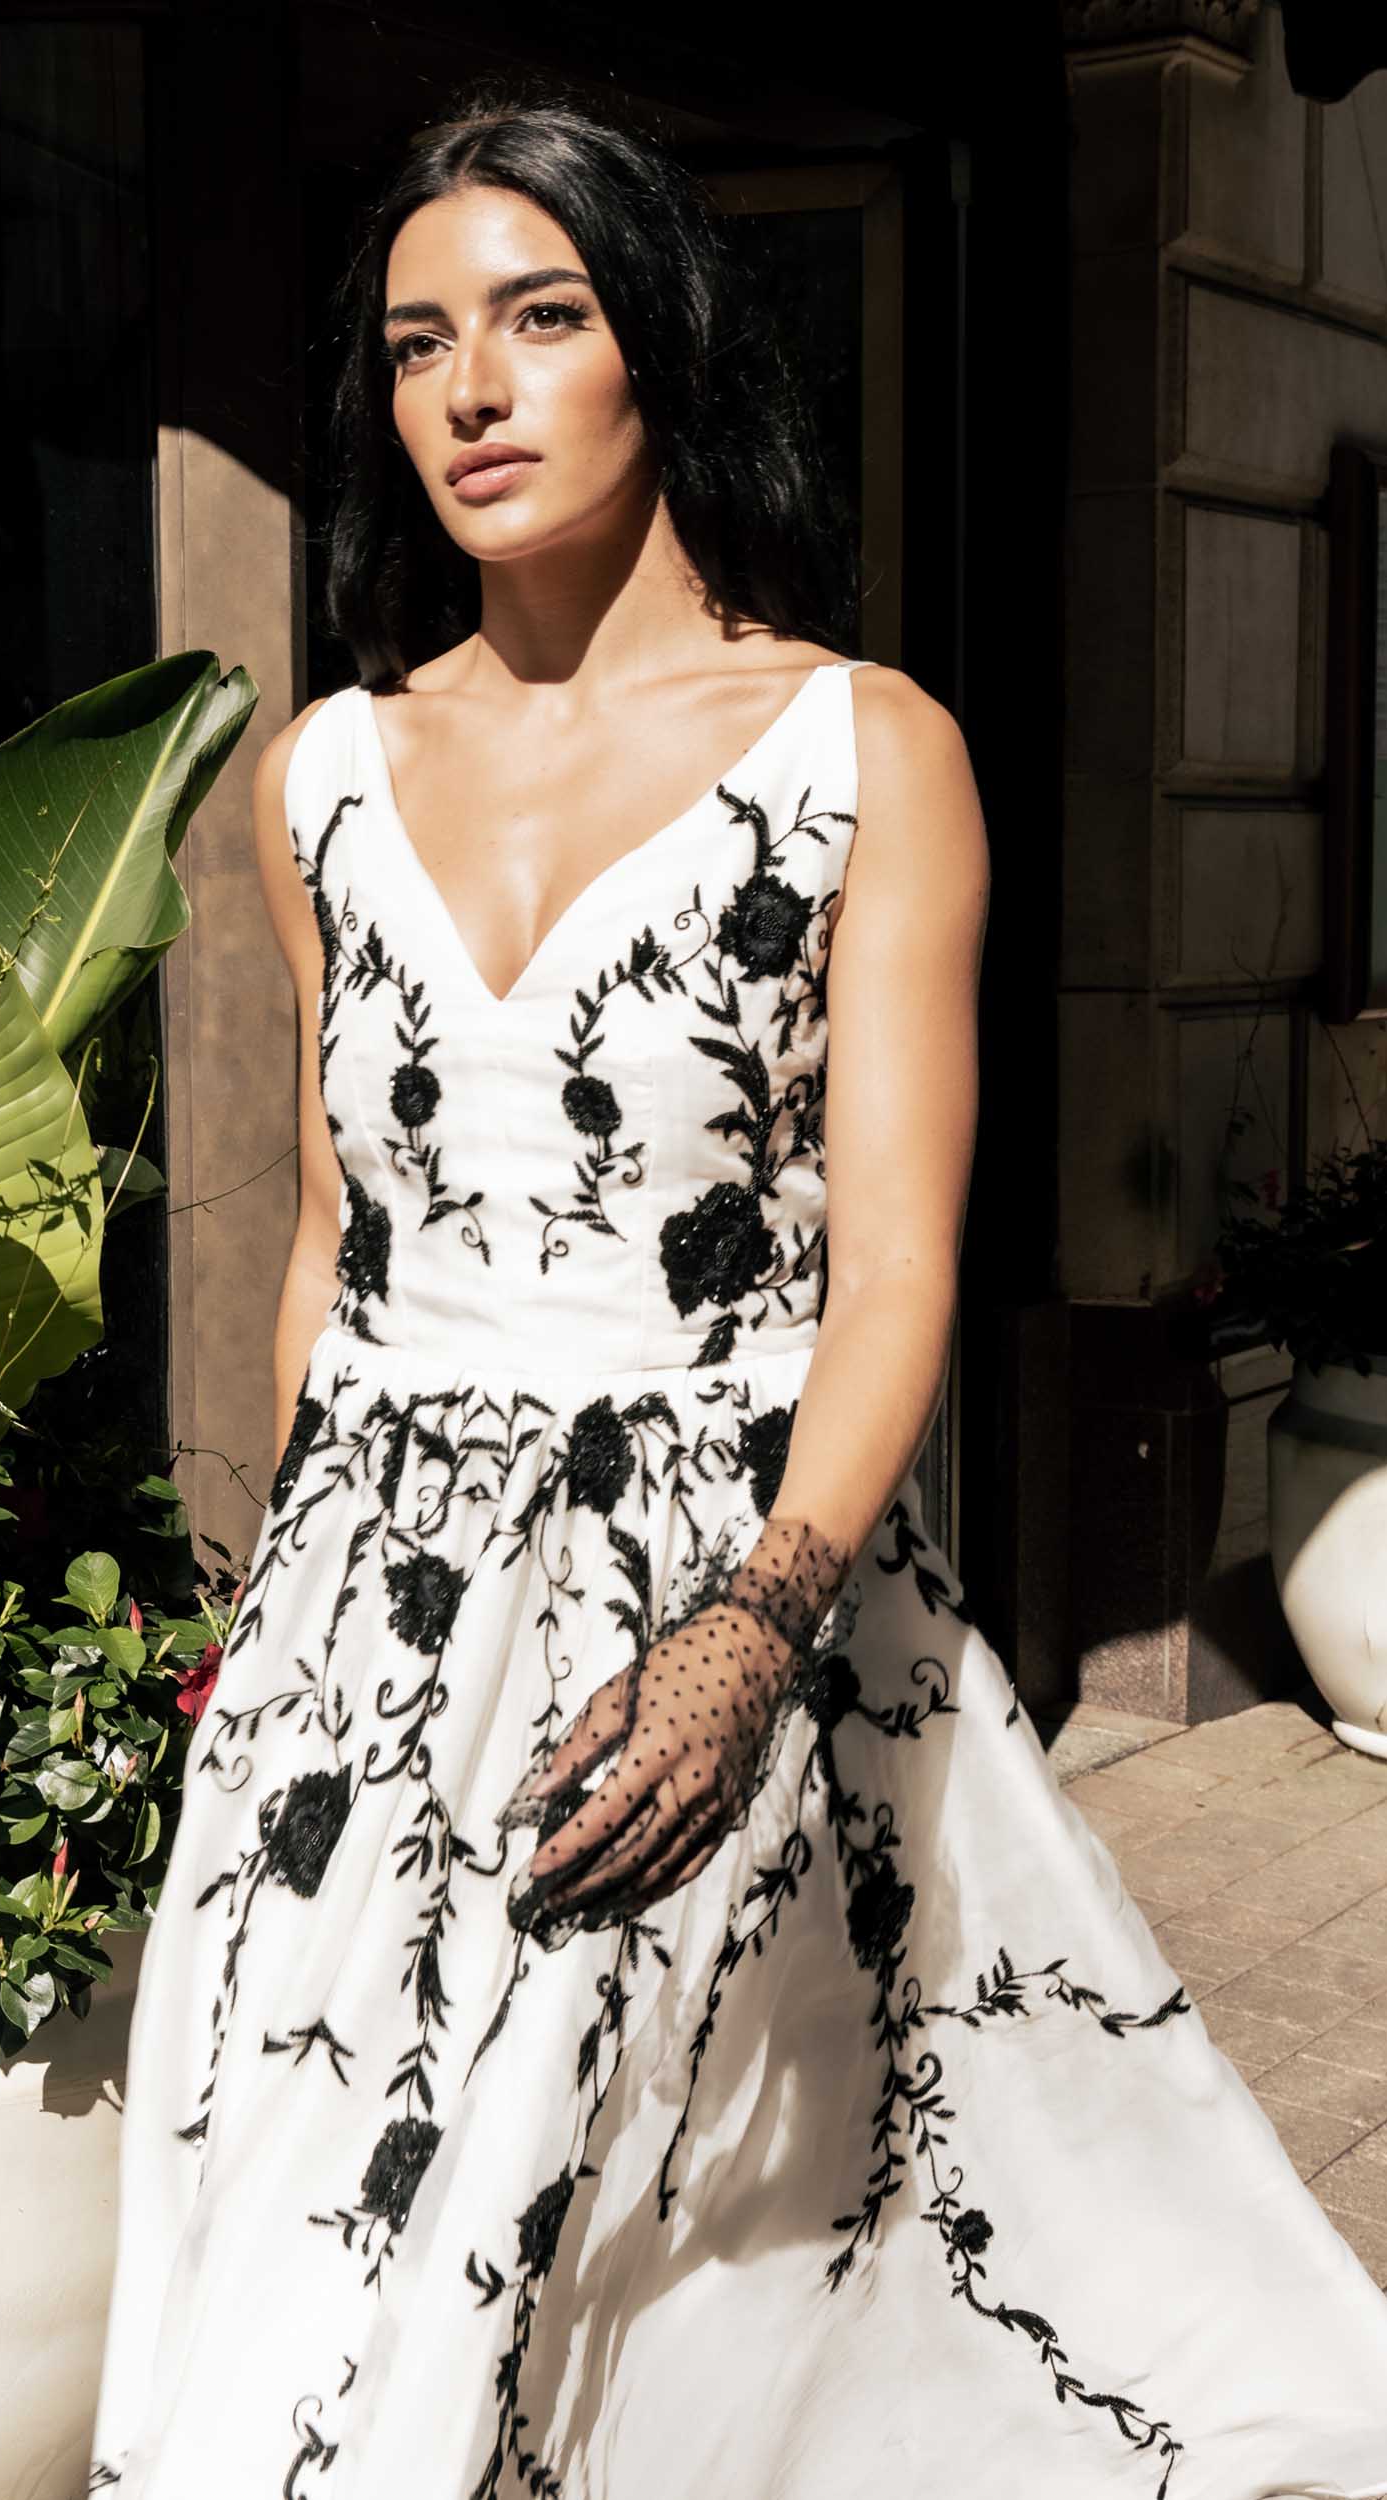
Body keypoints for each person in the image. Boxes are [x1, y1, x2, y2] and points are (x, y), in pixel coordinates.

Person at [89, 82, 1387, 2500]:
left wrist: (751, 1624)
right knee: (323, 2214)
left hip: (713, 1590)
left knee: (664, 2237)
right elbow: (330, 1243)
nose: (469, 388)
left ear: (657, 342)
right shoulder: (322, 776)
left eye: (538, 317)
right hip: (364, 1632)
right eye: (412, 345)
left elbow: (896, 1261)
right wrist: (283, 1611)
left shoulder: (869, 750)